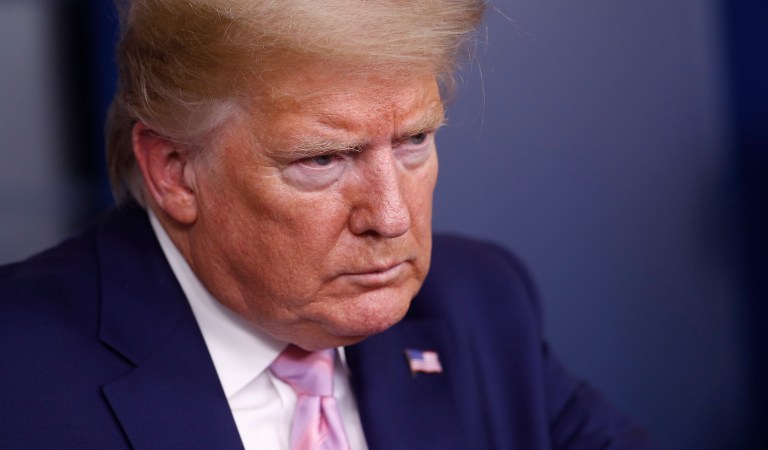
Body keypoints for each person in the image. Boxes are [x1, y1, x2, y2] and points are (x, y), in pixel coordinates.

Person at [0, 1, 655, 448]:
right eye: (323, 159)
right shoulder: (19, 370)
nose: (391, 217)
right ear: (175, 170)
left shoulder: (480, 305)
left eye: (413, 141)